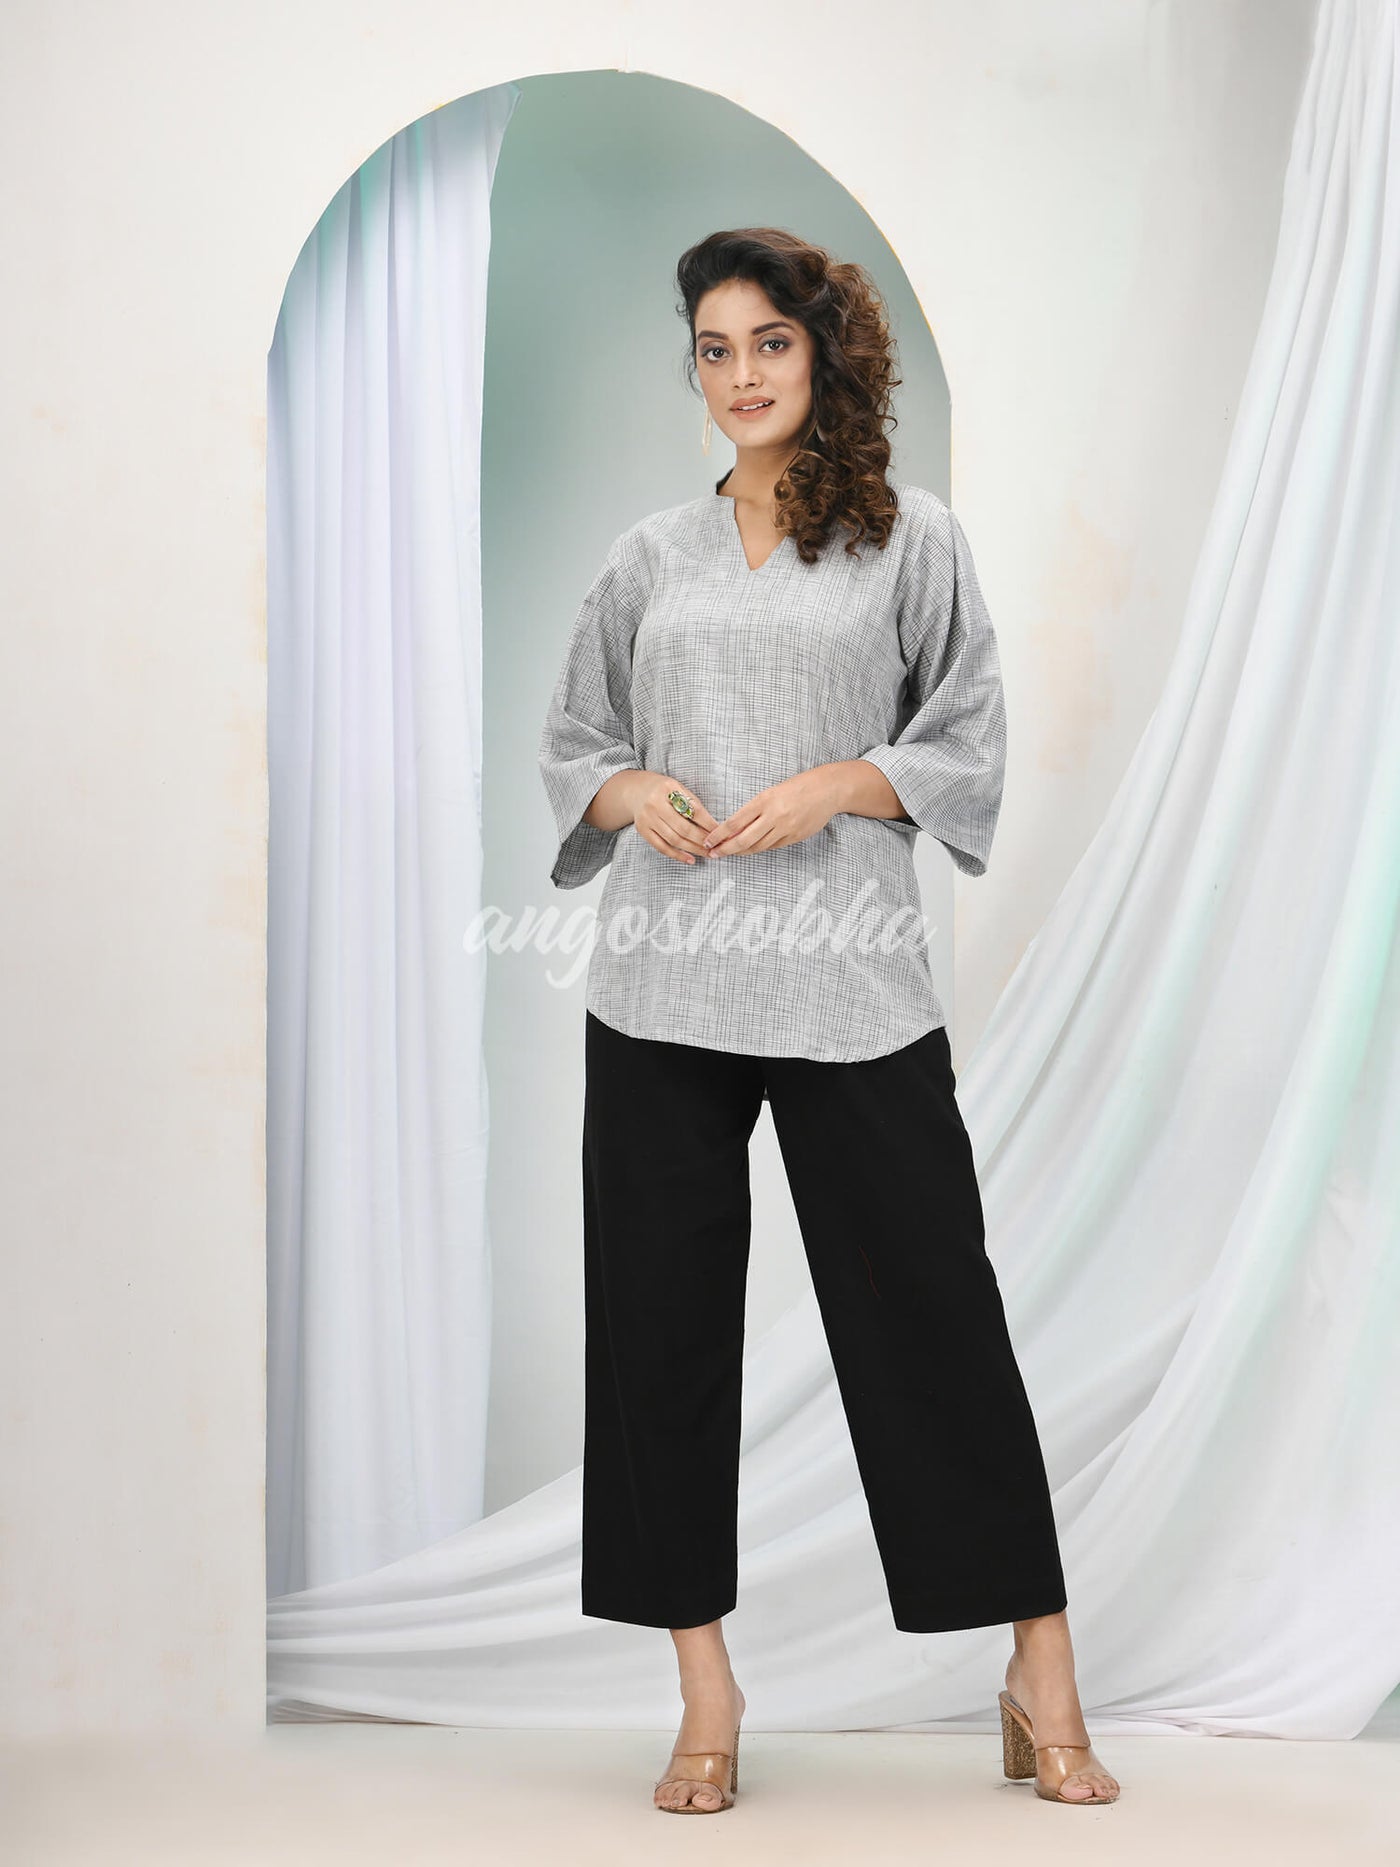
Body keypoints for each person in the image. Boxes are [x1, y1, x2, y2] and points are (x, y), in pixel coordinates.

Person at [537, 227, 1120, 1814]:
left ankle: (1040, 1665)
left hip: (850, 982)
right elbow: (577, 738)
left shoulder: (911, 541)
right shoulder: (648, 556)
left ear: (823, 352)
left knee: (932, 1311)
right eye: (714, 349)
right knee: (658, 1334)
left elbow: (966, 730)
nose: (741, 375)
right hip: (658, 987)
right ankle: (705, 1690)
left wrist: (844, 785)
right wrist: (630, 793)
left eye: (769, 344)